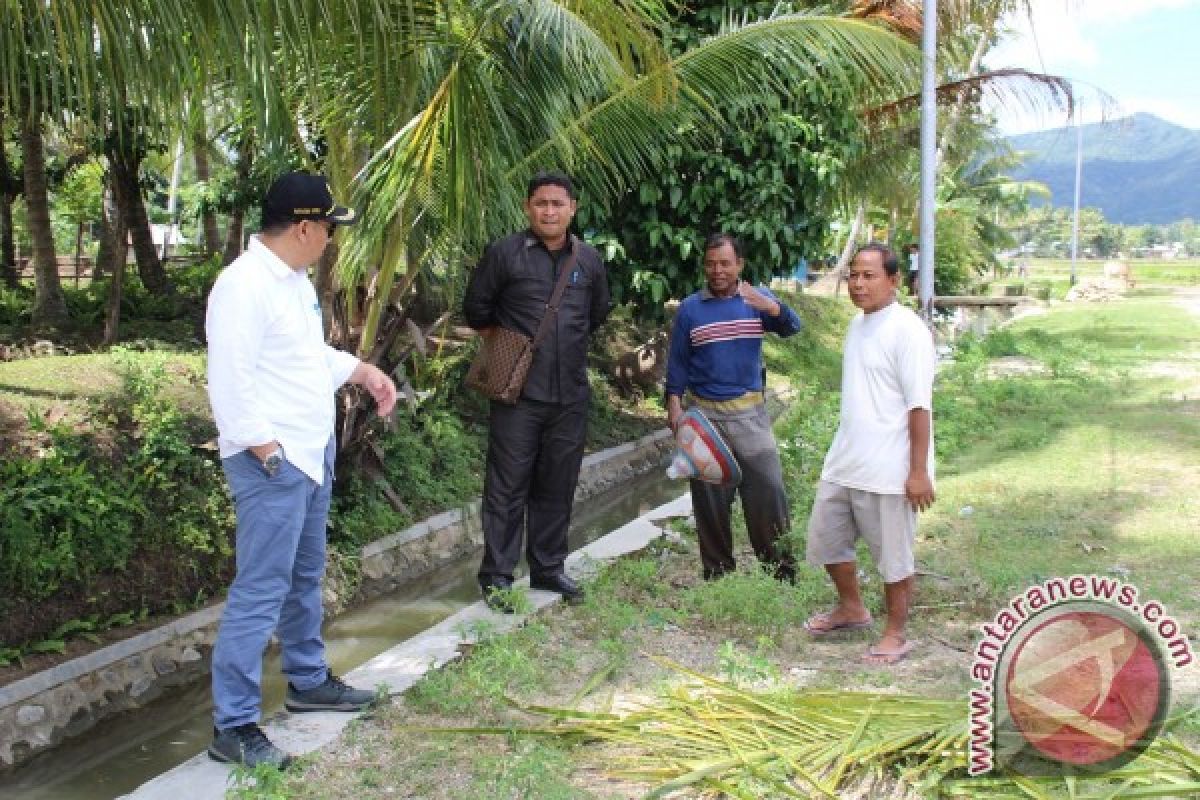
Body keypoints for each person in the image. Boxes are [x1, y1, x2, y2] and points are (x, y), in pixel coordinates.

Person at [204, 172, 398, 767]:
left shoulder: (290, 281)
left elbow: (300, 355)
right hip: (274, 461)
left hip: (310, 456)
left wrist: (360, 370)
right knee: (261, 589)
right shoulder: (242, 286)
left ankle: (308, 680)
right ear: (306, 227)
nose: (331, 241)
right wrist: (266, 450)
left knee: (303, 577)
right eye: (329, 230)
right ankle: (233, 726)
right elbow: (230, 380)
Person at [462, 171, 610, 612]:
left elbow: (598, 313)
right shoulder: (505, 253)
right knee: (506, 487)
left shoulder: (589, 261)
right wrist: (511, 349)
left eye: (557, 204)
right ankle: (498, 577)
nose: (549, 211)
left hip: (570, 395)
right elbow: (476, 310)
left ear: (572, 209)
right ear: (528, 207)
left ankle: (548, 569)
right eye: (541, 203)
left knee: (557, 483)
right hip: (517, 396)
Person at [804, 243, 935, 666]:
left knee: (893, 557)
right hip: (845, 461)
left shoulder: (908, 331)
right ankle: (851, 608)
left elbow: (919, 406)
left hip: (889, 468)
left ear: (894, 280)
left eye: (869, 276)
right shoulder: (857, 326)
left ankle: (895, 632)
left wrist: (918, 471)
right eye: (853, 276)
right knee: (827, 540)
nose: (858, 284)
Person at [664, 233, 802, 581]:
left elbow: (792, 327)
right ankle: (718, 574)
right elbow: (677, 364)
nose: (718, 270)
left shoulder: (756, 299)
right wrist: (674, 408)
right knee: (709, 500)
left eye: (725, 263)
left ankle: (781, 573)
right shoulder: (690, 309)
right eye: (711, 264)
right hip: (705, 418)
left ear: (739, 264)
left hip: (751, 416)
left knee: (768, 492)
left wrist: (770, 306)